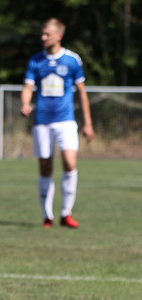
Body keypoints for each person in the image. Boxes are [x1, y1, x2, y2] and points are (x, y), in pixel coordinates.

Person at [20, 18, 94, 228]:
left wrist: (88, 123)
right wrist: (25, 103)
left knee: (70, 163)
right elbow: (27, 86)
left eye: (47, 34)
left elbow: (81, 92)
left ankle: (66, 213)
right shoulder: (35, 60)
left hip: (66, 120)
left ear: (59, 36)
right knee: (45, 166)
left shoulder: (72, 60)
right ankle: (47, 216)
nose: (43, 37)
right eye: (42, 34)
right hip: (42, 121)